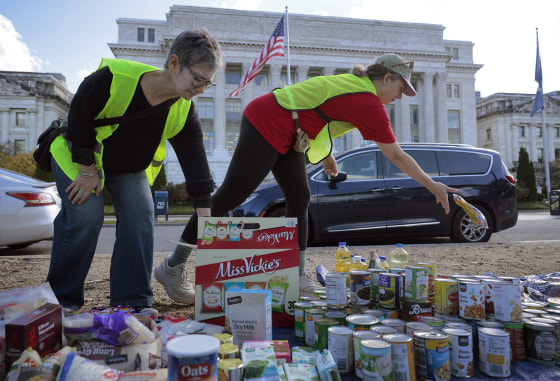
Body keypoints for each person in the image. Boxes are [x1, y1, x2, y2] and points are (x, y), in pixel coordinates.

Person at [154, 53, 457, 302]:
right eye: (401, 89)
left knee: (300, 197)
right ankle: (173, 266)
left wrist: (326, 154)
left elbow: (316, 107)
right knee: (231, 196)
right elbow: (396, 155)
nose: (401, 97)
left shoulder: (355, 86)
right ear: (386, 78)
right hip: (267, 118)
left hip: (290, 130)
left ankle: (295, 277)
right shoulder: (367, 100)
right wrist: (433, 186)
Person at [46, 29, 222, 312]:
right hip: (80, 156)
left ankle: (132, 302)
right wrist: (88, 170)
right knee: (86, 216)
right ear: (175, 63)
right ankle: (61, 302)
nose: (201, 89)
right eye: (198, 79)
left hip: (127, 167)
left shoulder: (182, 108)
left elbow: (195, 160)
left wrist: (205, 214)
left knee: (141, 215)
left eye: (208, 83)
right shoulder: (114, 78)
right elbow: (78, 118)